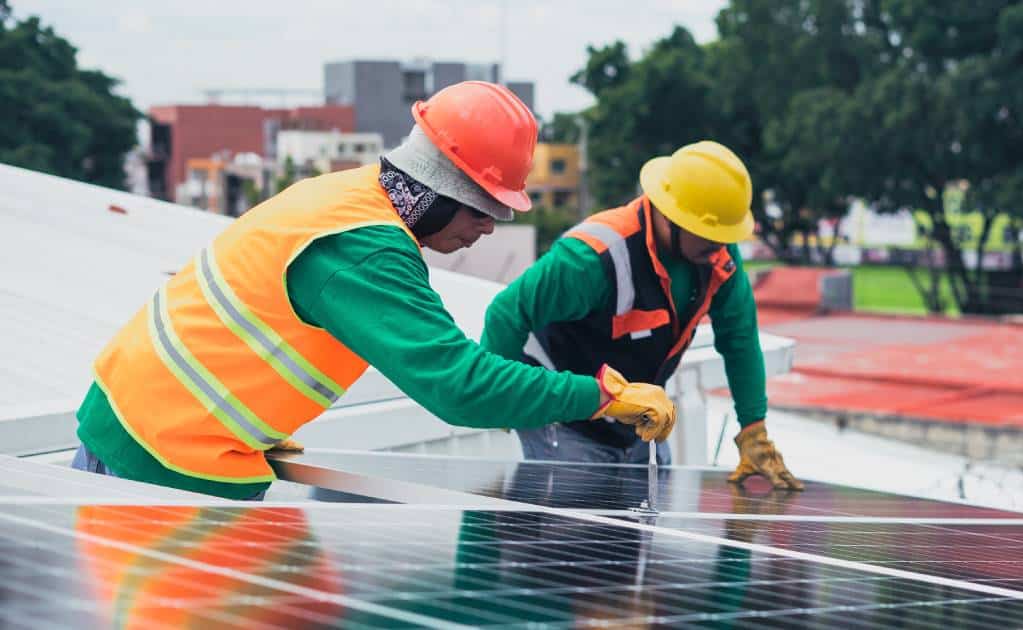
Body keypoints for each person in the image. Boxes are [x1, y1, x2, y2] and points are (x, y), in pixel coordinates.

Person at [70, 81, 675, 500]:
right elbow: (458, 388)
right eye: (484, 208)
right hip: (160, 455)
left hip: (149, 425)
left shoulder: (349, 195)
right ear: (442, 186)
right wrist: (600, 395)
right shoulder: (365, 249)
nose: (489, 227)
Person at [481, 140, 801, 490]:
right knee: (578, 529)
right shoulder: (593, 257)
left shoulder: (716, 258)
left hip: (639, 419)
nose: (720, 247)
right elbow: (506, 313)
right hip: (566, 419)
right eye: (711, 235)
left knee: (639, 527)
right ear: (671, 216)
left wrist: (753, 429)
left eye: (725, 237)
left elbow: (739, 339)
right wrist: (501, 400)